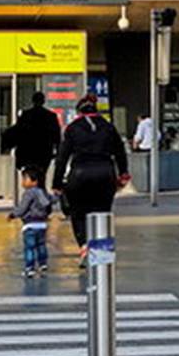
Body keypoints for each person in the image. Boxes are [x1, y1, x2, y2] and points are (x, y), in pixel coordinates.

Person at [52, 93, 129, 263]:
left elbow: (62, 158)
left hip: (80, 174)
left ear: (79, 112)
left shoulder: (72, 128)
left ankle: (84, 246)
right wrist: (123, 174)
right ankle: (100, 254)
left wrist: (57, 183)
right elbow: (120, 151)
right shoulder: (108, 127)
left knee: (78, 213)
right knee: (102, 213)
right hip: (105, 173)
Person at [8, 166, 53, 278]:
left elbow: (23, 207)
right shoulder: (42, 192)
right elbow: (50, 201)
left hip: (30, 225)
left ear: (34, 181)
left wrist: (13, 214)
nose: (22, 182)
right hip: (42, 225)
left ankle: (30, 268)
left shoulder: (28, 193)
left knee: (30, 247)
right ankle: (43, 264)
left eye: (25, 179)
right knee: (41, 245)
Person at [9, 92, 62, 188]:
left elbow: (18, 133)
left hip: (28, 152)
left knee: (30, 178)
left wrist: (17, 153)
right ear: (43, 101)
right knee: (41, 177)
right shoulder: (50, 116)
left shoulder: (25, 115)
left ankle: (33, 198)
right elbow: (57, 137)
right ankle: (40, 197)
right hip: (44, 152)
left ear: (33, 101)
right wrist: (58, 152)